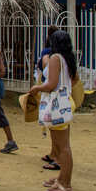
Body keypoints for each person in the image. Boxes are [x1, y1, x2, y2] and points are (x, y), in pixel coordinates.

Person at [28, 30, 76, 191]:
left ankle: (65, 183)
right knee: (60, 145)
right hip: (64, 102)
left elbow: (51, 84)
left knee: (62, 147)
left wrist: (37, 88)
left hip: (56, 104)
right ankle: (62, 177)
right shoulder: (68, 58)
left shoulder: (56, 58)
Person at [38, 25, 60, 171]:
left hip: (54, 98)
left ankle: (58, 158)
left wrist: (37, 88)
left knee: (57, 130)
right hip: (63, 98)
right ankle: (54, 153)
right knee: (54, 128)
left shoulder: (52, 57)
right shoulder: (66, 59)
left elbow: (49, 80)